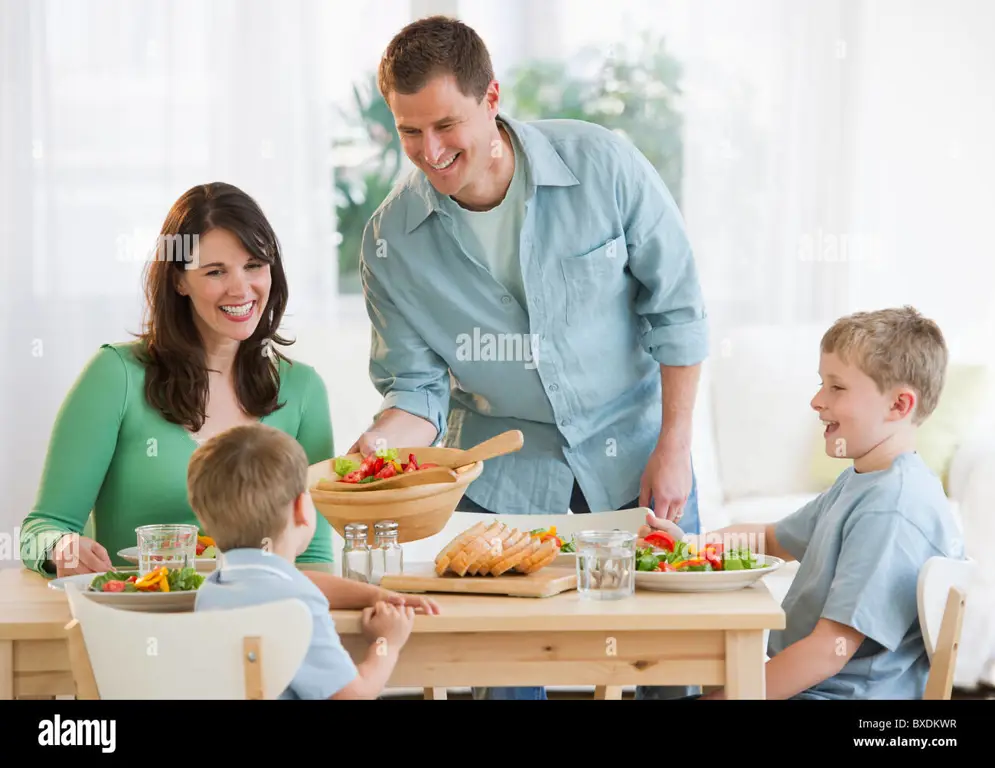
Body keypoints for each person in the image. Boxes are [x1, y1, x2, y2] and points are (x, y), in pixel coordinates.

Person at [346, 16, 708, 701]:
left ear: (491, 100)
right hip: (502, 485)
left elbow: (679, 312)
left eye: (444, 125)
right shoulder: (391, 241)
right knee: (503, 681)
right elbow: (416, 391)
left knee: (673, 669)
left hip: (638, 456)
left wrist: (676, 443)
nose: (429, 150)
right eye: (408, 131)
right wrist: (377, 449)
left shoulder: (604, 166)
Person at [19, 181, 438, 615]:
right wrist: (62, 547)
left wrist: (379, 596)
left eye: (254, 265)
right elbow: (43, 527)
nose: (241, 289)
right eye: (216, 271)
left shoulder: (302, 391)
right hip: (138, 635)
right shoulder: (116, 377)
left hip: (259, 641)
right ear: (179, 280)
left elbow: (309, 563)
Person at [641, 306, 965, 700]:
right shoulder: (863, 482)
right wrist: (688, 547)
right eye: (821, 384)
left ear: (899, 405)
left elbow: (828, 652)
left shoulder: (892, 509)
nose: (816, 400)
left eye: (837, 387)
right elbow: (769, 539)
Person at [189, 423, 415, 699]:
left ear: (205, 521)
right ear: (301, 508)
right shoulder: (298, 605)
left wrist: (377, 595)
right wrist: (386, 643)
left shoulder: (213, 589)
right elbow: (354, 695)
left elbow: (293, 580)